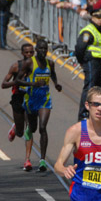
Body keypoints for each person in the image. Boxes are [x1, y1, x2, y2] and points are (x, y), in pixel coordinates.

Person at [15, 39, 63, 171]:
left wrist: (56, 84)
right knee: (33, 128)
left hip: (44, 100)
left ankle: (42, 160)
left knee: (42, 128)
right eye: (40, 49)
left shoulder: (50, 63)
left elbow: (52, 74)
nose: (43, 51)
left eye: (45, 49)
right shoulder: (30, 63)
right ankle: (28, 152)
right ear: (36, 50)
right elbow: (18, 80)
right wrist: (32, 84)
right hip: (31, 100)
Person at [2, 42, 35, 147]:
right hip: (18, 98)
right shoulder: (15, 66)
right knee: (20, 133)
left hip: (31, 98)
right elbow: (3, 84)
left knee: (30, 127)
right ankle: (16, 127)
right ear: (22, 53)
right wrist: (16, 82)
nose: (29, 54)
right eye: (26, 52)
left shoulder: (37, 66)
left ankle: (27, 159)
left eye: (31, 52)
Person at [76, 11, 101, 120]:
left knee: (99, 88)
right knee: (89, 87)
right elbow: (79, 47)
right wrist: (82, 61)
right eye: (97, 17)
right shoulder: (88, 31)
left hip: (98, 63)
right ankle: (84, 113)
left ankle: (97, 112)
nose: (100, 19)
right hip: (91, 61)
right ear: (92, 18)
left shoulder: (99, 31)